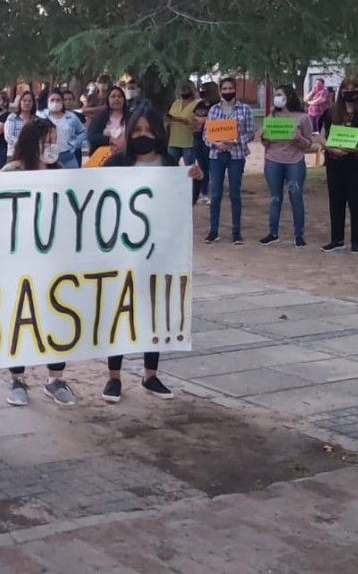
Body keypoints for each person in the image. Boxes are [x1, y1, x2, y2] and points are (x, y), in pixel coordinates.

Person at [102, 107, 202, 400]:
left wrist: (195, 179)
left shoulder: (171, 165)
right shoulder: (116, 164)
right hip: (121, 252)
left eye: (148, 131)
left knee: (155, 310)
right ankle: (114, 376)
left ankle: (151, 375)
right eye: (136, 131)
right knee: (117, 311)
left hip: (161, 251)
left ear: (159, 133)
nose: (142, 136)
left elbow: (185, 204)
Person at [0, 117, 77, 404]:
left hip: (55, 259)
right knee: (19, 317)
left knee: (57, 316)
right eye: (48, 140)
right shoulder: (11, 172)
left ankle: (56, 379)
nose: (53, 146)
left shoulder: (62, 172)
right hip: (20, 258)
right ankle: (17, 379)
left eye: (56, 140)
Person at [318, 77, 358, 254]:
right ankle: (336, 239)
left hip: (357, 162)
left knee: (356, 201)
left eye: (354, 88)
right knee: (336, 200)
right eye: (346, 88)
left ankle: (356, 241)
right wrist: (331, 148)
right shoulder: (331, 113)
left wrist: (355, 149)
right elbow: (322, 136)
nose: (349, 92)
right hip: (334, 162)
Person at [259, 84, 314, 247]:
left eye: (280, 95)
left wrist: (299, 139)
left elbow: (309, 143)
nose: (277, 98)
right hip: (273, 161)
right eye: (275, 94)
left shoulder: (302, 118)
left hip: (294, 162)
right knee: (275, 198)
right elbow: (266, 144)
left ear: (289, 97)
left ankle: (299, 235)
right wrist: (264, 137)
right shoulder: (271, 117)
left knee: (295, 197)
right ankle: (272, 232)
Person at [204, 77, 254, 245]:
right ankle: (213, 231)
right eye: (224, 89)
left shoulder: (245, 109)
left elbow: (250, 133)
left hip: (236, 155)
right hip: (216, 155)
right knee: (216, 193)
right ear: (220, 91)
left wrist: (236, 140)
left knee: (235, 193)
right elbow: (206, 134)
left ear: (235, 89)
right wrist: (215, 143)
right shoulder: (213, 110)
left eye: (229, 88)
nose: (227, 91)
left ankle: (236, 232)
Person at [42, 90, 87, 168]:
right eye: (52, 100)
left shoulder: (71, 117)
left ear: (62, 102)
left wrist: (75, 143)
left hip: (67, 156)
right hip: (47, 156)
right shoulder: (41, 117)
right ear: (47, 101)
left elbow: (83, 132)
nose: (55, 102)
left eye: (58, 100)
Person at [86, 86, 129, 156]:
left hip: (126, 154)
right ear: (108, 100)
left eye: (119, 96)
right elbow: (92, 136)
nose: (116, 99)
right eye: (113, 96)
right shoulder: (100, 117)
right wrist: (110, 140)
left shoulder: (131, 117)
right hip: (103, 156)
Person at [166, 82, 198, 166]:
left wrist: (180, 120)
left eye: (186, 90)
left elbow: (194, 121)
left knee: (189, 169)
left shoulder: (196, 104)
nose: (183, 92)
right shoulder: (176, 103)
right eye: (182, 90)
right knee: (171, 168)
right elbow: (169, 116)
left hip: (188, 142)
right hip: (173, 141)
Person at [3, 90, 37, 160]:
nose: (27, 103)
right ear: (20, 102)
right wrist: (23, 145)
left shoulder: (36, 120)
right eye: (24, 100)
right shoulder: (12, 117)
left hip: (31, 155)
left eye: (29, 101)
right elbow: (9, 137)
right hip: (13, 154)